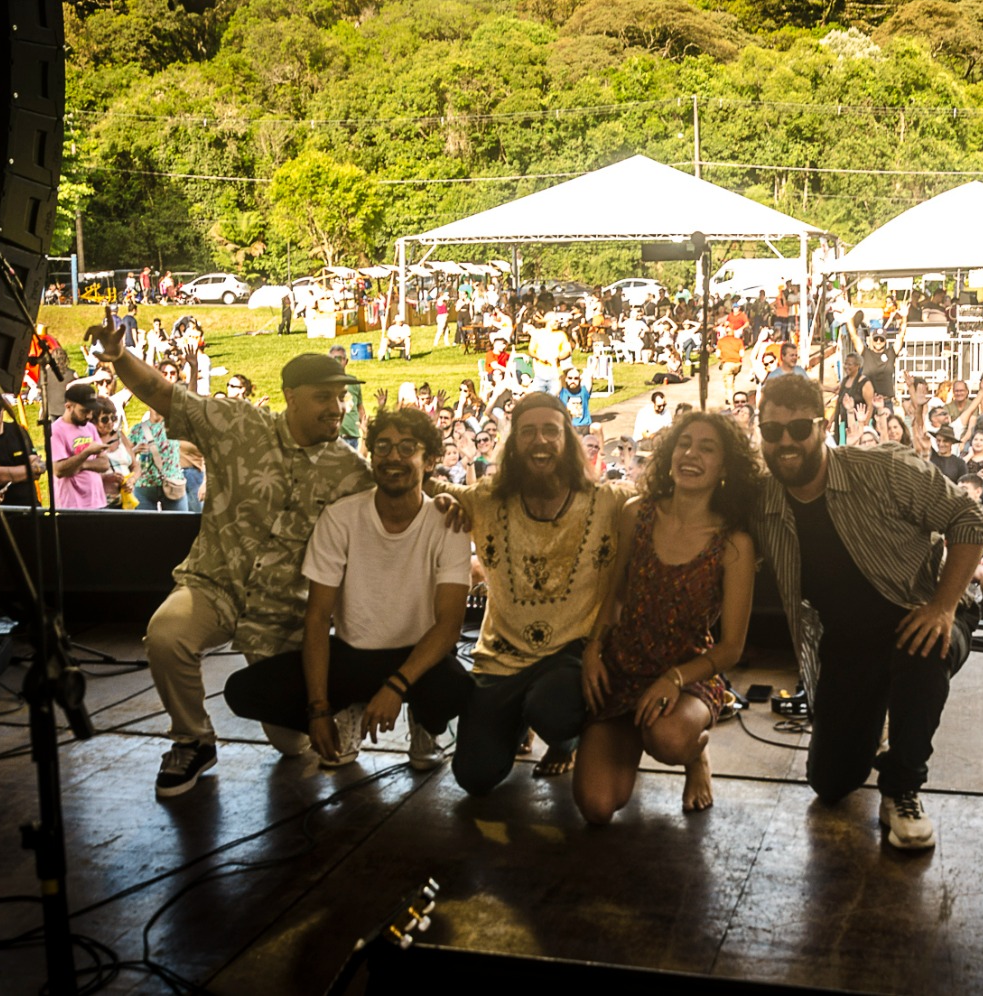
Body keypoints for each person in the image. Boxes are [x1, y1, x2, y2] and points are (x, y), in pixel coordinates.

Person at [88, 319, 376, 796]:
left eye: (341, 397)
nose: (337, 408)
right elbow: (164, 393)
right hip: (214, 583)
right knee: (166, 634)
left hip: (284, 613)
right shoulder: (237, 424)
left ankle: (330, 708)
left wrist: (454, 501)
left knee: (292, 743)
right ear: (291, 395)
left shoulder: (349, 468)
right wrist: (119, 357)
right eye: (325, 397)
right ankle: (192, 740)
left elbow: (405, 494)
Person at [751, 374, 983, 851]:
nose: (786, 442)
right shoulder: (762, 500)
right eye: (772, 432)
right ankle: (876, 724)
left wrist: (943, 606)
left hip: (920, 613)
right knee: (831, 784)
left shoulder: (883, 468)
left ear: (823, 427)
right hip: (848, 644)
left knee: (922, 650)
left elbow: (969, 519)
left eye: (799, 428)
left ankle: (902, 787)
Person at [222, 408, 473, 772]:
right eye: (383, 447)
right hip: (352, 654)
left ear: (430, 459)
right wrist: (319, 708)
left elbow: (450, 626)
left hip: (419, 658)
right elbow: (318, 617)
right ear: (370, 455)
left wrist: (396, 686)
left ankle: (427, 725)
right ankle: (349, 708)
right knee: (244, 691)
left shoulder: (448, 522)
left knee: (459, 690)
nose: (393, 457)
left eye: (407, 448)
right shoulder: (342, 517)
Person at [431, 393, 630, 794]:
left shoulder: (608, 502)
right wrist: (439, 497)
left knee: (555, 709)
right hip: (501, 659)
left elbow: (665, 501)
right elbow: (418, 480)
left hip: (571, 655)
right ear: (514, 443)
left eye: (550, 431)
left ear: (568, 441)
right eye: (528, 432)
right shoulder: (486, 500)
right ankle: (517, 720)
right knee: (474, 776)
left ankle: (564, 740)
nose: (540, 441)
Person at [575, 413, 759, 822]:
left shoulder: (734, 544)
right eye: (684, 443)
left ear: (726, 467)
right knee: (596, 807)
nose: (691, 454)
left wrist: (674, 678)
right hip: (623, 671)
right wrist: (593, 650)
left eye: (707, 448)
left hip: (687, 677)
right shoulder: (635, 513)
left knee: (670, 739)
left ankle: (696, 756)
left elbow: (731, 648)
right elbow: (616, 594)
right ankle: (631, 738)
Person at [0, 392, 43, 575]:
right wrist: (29, 472)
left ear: (3, 411)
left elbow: (37, 463)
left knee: (36, 562)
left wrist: (30, 470)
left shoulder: (18, 431)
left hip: (29, 508)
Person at [50, 384, 113, 510]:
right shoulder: (56, 431)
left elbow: (104, 464)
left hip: (97, 501)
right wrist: (87, 453)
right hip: (72, 505)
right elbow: (58, 470)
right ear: (68, 407)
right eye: (84, 411)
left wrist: (82, 465)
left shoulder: (89, 427)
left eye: (91, 411)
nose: (89, 416)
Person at [557, 367, 593, 433]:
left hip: (584, 426)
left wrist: (595, 359)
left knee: (597, 427)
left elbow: (589, 374)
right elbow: (557, 376)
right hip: (568, 427)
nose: (573, 381)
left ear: (580, 380)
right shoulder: (562, 392)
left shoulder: (584, 391)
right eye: (570, 378)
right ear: (566, 379)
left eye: (576, 378)